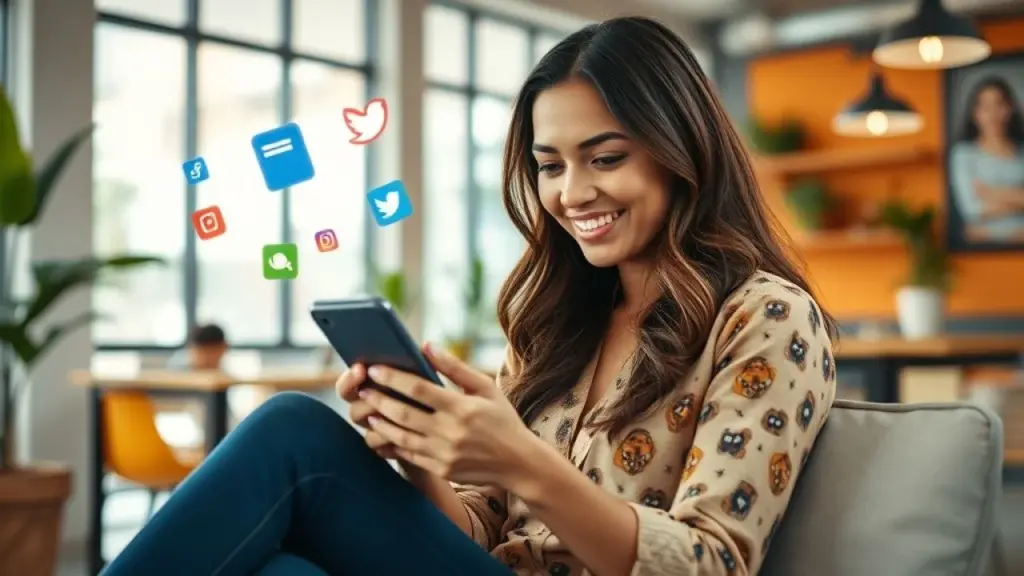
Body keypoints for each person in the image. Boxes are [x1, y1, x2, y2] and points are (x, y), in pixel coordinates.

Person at [101, 16, 838, 576]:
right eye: (550, 166)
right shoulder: (561, 324)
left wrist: (523, 462)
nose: (572, 192)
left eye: (605, 158)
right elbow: (478, 532)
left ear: (685, 152)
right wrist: (420, 452)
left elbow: (712, 562)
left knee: (296, 434)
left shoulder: (766, 316)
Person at [950, 75, 1024, 243]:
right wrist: (1018, 198)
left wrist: (993, 193)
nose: (993, 114)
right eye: (985, 107)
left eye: (999, 105)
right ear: (975, 113)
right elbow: (973, 210)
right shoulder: (964, 154)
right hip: (986, 249)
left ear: (1010, 108)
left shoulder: (1021, 153)